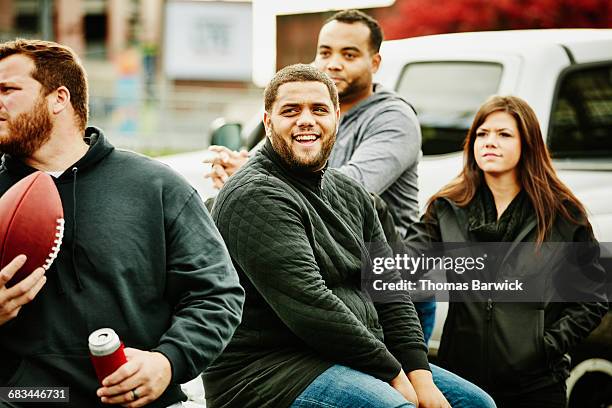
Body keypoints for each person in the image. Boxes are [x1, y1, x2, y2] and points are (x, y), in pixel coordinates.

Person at [203, 63, 496, 408]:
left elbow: (391, 291)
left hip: (348, 355)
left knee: (476, 404)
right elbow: (311, 307)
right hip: (269, 371)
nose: (306, 120)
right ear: (268, 122)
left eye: (319, 109)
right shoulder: (255, 195)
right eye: (290, 111)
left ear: (337, 117)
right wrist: (393, 375)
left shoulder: (350, 192)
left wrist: (420, 375)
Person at [0, 39, 244, 408]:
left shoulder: (155, 186)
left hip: (142, 401)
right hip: (24, 398)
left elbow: (217, 293)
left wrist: (167, 362)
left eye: (8, 89)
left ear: (58, 99)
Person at [205, 8, 437, 344]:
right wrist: (239, 176)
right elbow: (264, 169)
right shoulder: (304, 113)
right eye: (325, 52)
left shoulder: (394, 119)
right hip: (333, 280)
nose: (333, 63)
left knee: (405, 389)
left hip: (389, 287)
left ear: (374, 64)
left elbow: (347, 189)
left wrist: (251, 179)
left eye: (349, 54)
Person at [404, 95, 608, 407]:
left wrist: (546, 345)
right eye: (482, 134)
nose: (489, 142)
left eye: (503, 134)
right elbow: (405, 269)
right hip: (461, 382)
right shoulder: (446, 208)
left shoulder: (561, 213)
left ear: (528, 143)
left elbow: (593, 296)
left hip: (536, 385)